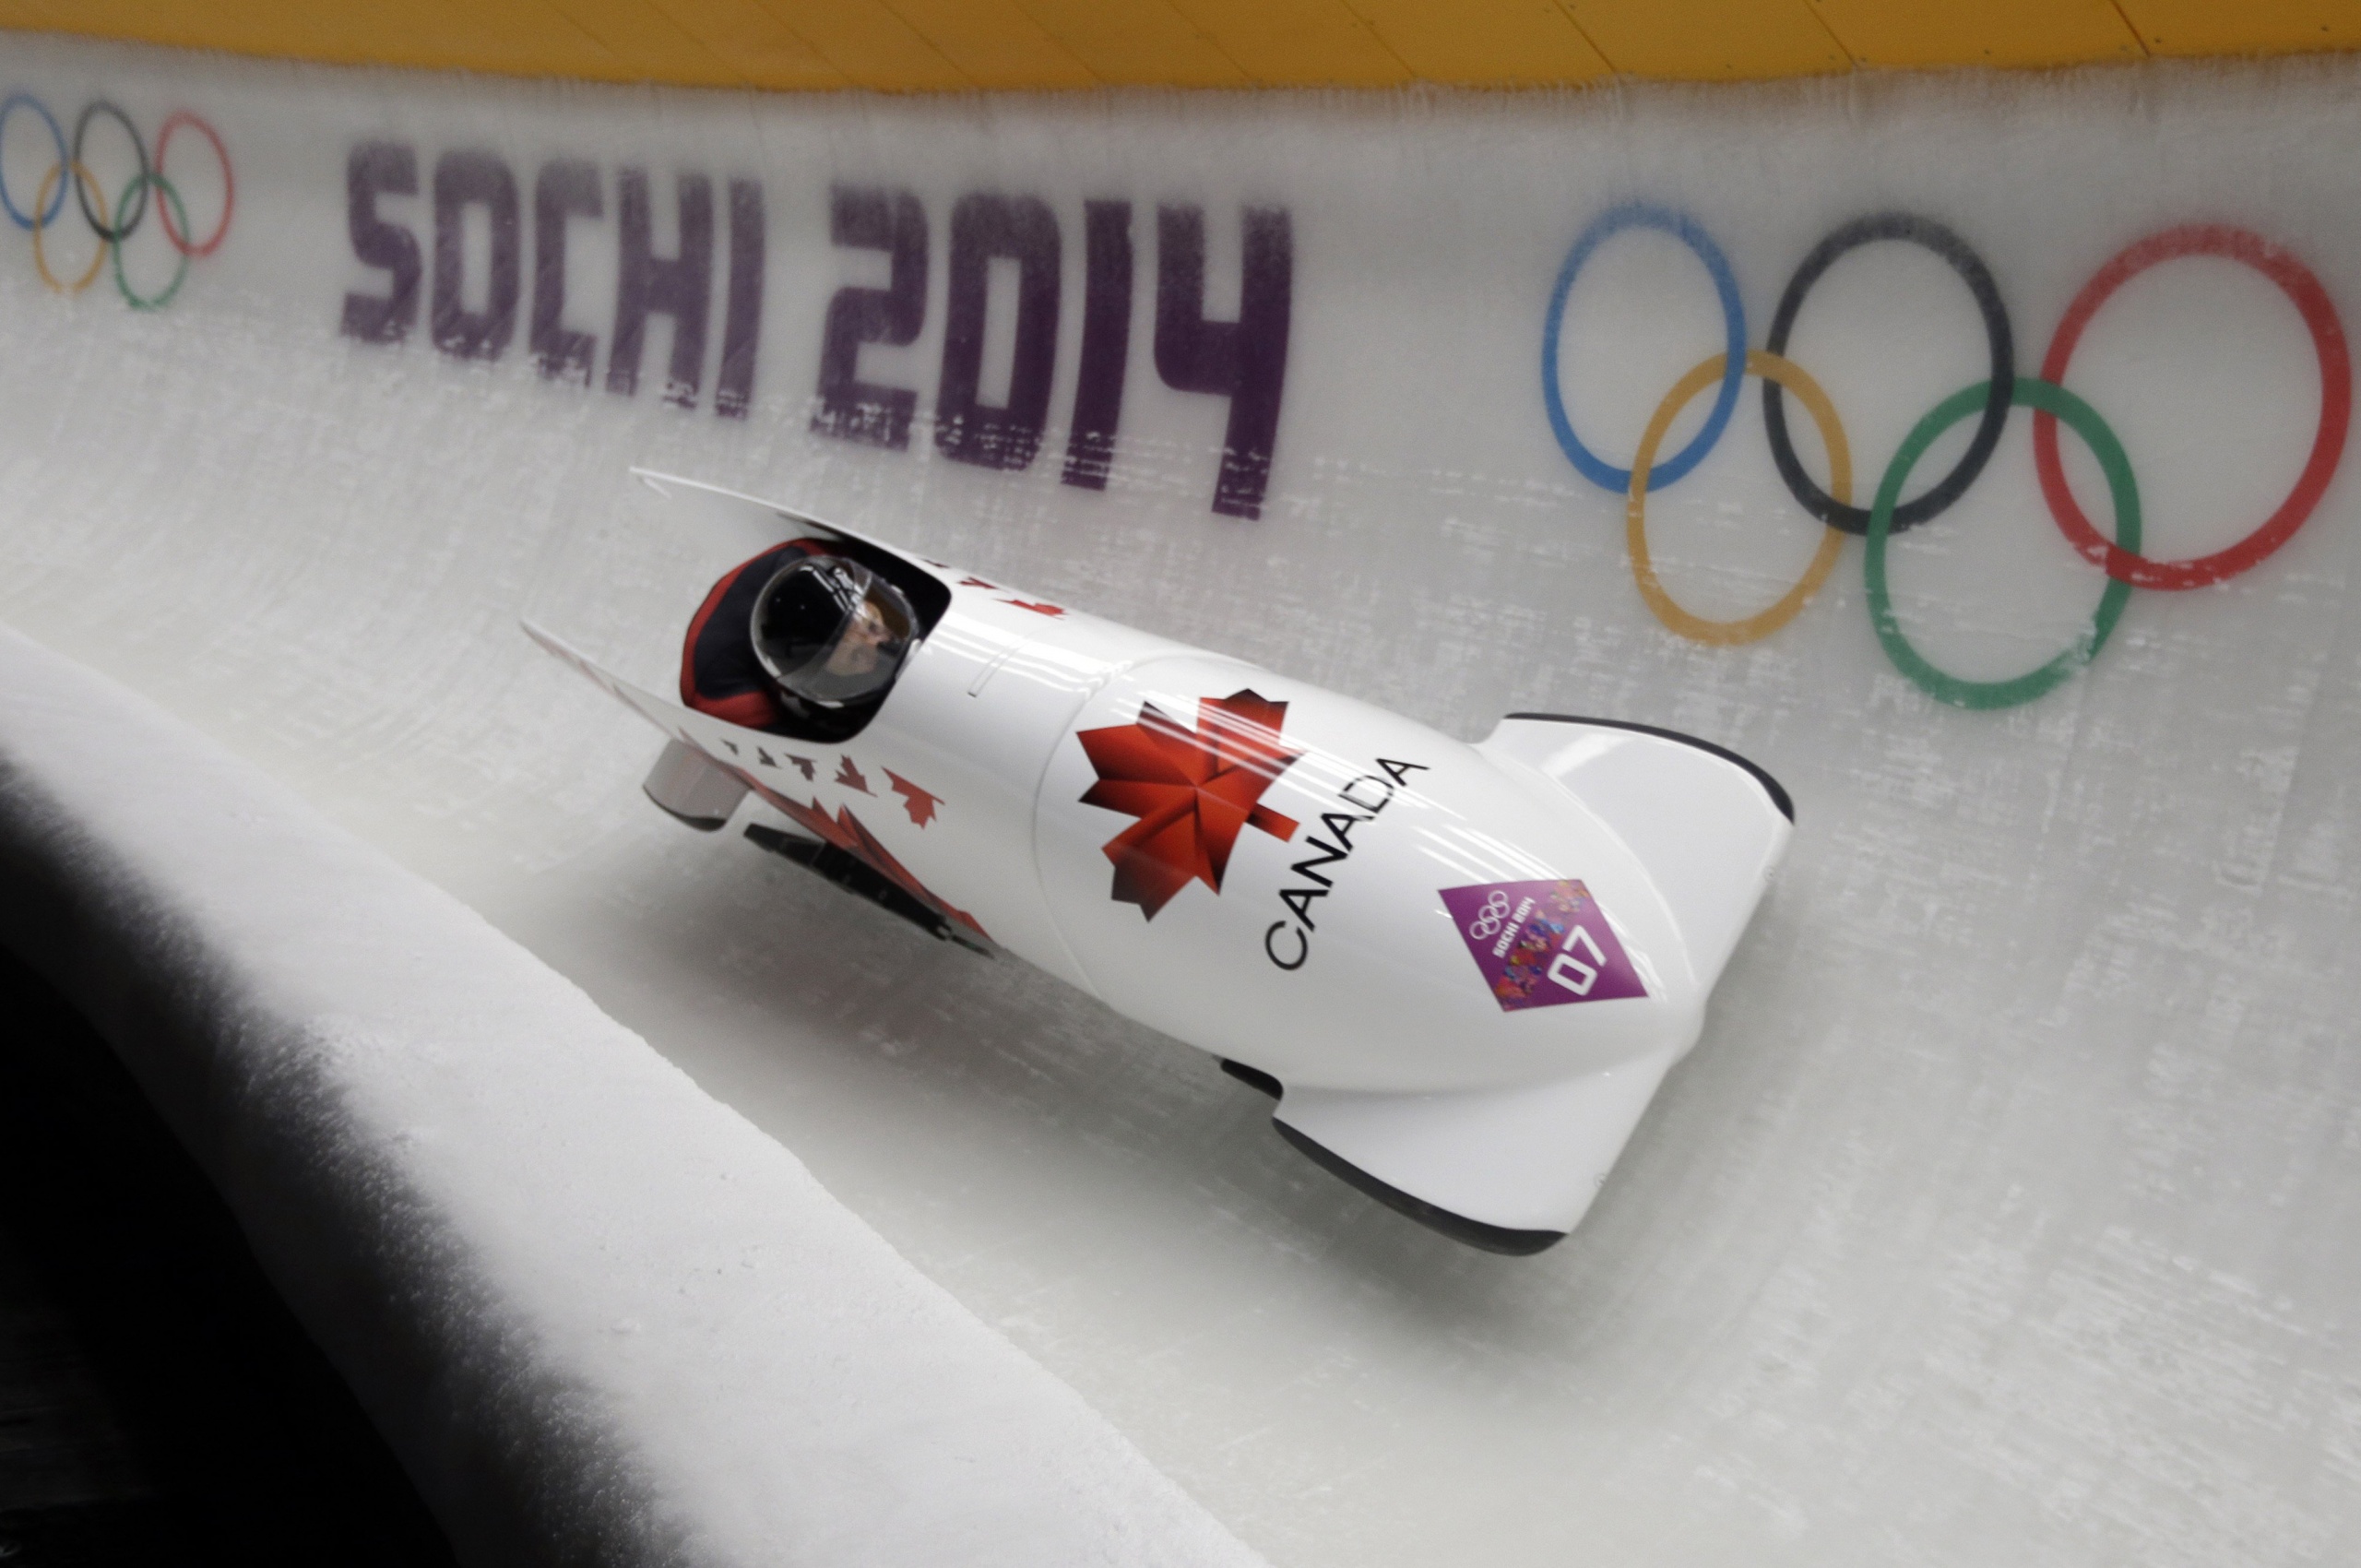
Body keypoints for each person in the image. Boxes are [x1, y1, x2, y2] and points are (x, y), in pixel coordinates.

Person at [680, 541, 917, 739]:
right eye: (855, 655)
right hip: (727, 688)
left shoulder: (824, 561)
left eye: (873, 625)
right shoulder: (725, 700)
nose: (884, 643)